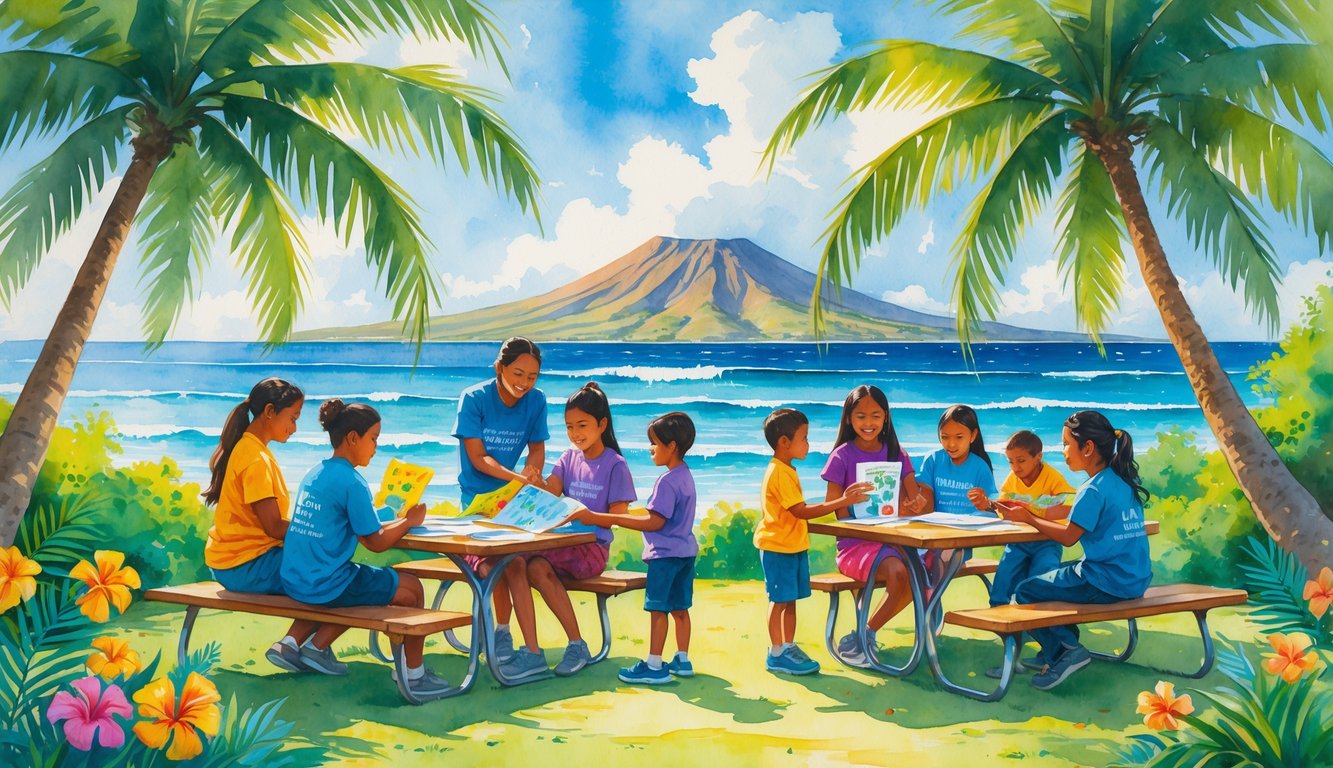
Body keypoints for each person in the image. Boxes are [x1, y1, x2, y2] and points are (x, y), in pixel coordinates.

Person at [280, 399, 451, 699]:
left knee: (371, 581)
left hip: (297, 577)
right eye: (373, 439)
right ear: (352, 438)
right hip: (326, 583)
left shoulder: (316, 473)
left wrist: (388, 517)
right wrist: (409, 522)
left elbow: (354, 521)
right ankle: (414, 674)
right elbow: (375, 543)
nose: (375, 447)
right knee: (411, 588)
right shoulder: (352, 482)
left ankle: (317, 647)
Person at [996, 410, 1152, 690]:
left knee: (1025, 591)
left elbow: (1068, 537)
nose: (1063, 451)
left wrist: (1029, 518)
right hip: (1134, 579)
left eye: (1066, 444)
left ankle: (1066, 650)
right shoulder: (1122, 481)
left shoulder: (1092, 490)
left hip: (1104, 581)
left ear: (1088, 448)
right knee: (1052, 577)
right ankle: (1056, 649)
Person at [201, 378, 319, 673]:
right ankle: (296, 645)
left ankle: (306, 645)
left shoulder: (249, 449)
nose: (294, 428)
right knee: (328, 573)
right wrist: (319, 530)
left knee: (321, 566)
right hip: (246, 565)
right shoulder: (255, 459)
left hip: (233, 561)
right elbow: (274, 528)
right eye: (292, 418)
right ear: (269, 412)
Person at [522, 382, 636, 678]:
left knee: (523, 556)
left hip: (593, 549)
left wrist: (588, 516)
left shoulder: (615, 465)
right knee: (532, 566)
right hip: (564, 546)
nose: (575, 434)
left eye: (582, 426)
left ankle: (560, 648)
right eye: (569, 427)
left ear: (602, 425)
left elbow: (619, 517)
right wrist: (535, 483)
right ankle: (574, 644)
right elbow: (551, 491)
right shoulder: (568, 457)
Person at [575, 412, 699, 685]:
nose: (650, 449)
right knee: (680, 608)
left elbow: (655, 522)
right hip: (685, 553)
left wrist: (610, 518)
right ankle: (682, 658)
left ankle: (654, 665)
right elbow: (664, 515)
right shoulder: (685, 476)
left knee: (658, 609)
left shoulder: (667, 481)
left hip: (665, 556)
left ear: (671, 446)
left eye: (654, 443)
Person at [452, 337, 549, 669]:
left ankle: (532, 651)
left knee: (517, 564)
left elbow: (537, 448)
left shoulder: (536, 401)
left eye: (532, 377)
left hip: (511, 503)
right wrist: (517, 478)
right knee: (495, 565)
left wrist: (532, 473)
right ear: (499, 368)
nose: (524, 383)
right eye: (518, 374)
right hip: (476, 506)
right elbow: (478, 457)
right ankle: (501, 632)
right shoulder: (474, 399)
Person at [755, 408, 872, 676]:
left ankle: (788, 646)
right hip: (777, 547)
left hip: (793, 546)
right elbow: (801, 511)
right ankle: (776, 652)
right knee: (779, 600)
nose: (808, 444)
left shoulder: (787, 470)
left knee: (790, 600)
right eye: (804, 438)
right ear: (785, 442)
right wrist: (842, 501)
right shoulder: (779, 472)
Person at [821, 385, 925, 668]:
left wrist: (915, 503)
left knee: (924, 574)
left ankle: (863, 634)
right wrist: (846, 499)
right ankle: (864, 636)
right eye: (861, 416)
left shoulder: (897, 454)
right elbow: (832, 508)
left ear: (886, 417)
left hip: (893, 538)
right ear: (849, 419)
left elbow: (913, 498)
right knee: (900, 572)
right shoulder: (841, 456)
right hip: (855, 544)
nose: (868, 423)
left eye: (876, 416)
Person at [916, 404, 999, 577]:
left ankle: (929, 594)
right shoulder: (933, 460)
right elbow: (924, 499)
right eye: (944, 437)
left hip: (960, 541)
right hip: (933, 534)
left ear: (973, 435)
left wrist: (985, 504)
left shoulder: (980, 467)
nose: (951, 444)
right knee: (913, 561)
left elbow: (993, 511)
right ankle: (927, 594)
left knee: (942, 558)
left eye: (959, 437)